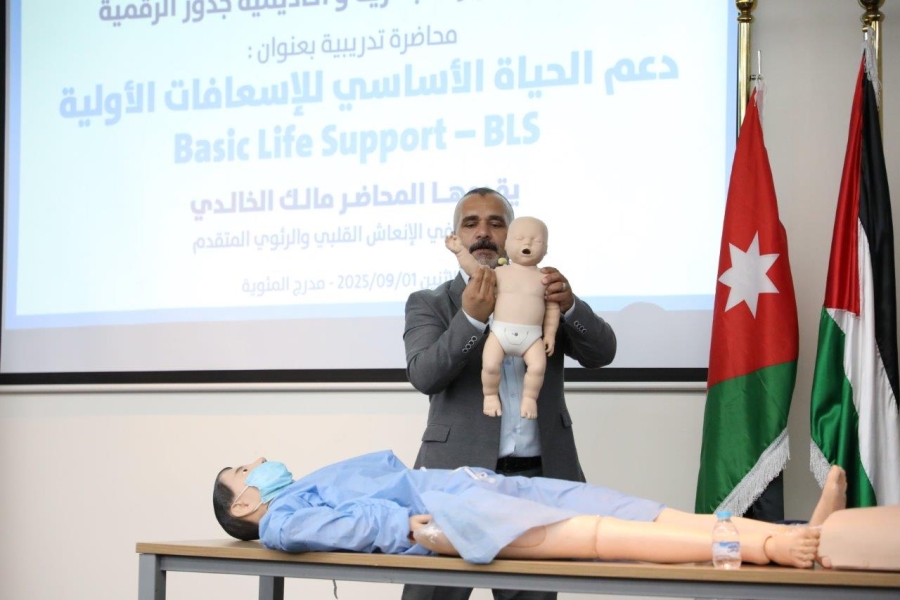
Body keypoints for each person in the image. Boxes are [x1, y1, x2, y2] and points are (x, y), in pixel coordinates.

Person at [402, 187, 616, 599]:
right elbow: (425, 375)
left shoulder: (545, 291)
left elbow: (602, 353)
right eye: (471, 224)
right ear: (456, 237)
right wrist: (470, 318)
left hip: (537, 481)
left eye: (496, 223)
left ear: (514, 234)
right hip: (453, 483)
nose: (483, 232)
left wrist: (570, 306)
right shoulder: (429, 303)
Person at [212, 450, 864, 570]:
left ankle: (796, 533)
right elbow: (349, 527)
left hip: (471, 486)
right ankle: (770, 548)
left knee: (637, 512)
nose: (258, 460)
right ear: (244, 503)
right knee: (601, 536)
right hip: (447, 518)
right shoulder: (280, 519)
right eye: (244, 468)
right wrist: (402, 525)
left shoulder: (299, 492)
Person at [445, 216, 559, 419]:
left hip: (532, 337)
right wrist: (460, 251)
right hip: (499, 334)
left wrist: (549, 334)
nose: (527, 243)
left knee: (538, 367)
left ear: (546, 249)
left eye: (536, 241)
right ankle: (490, 396)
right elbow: (475, 270)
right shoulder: (500, 273)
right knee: (489, 365)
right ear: (506, 244)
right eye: (520, 238)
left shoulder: (546, 279)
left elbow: (552, 307)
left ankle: (529, 399)